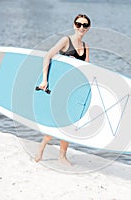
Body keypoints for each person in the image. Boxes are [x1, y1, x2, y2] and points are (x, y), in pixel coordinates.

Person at [35, 14, 91, 165]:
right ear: (74, 25)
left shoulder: (86, 46)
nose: (81, 27)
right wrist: (44, 79)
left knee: (69, 124)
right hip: (61, 86)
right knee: (59, 121)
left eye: (84, 25)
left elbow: (87, 69)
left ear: (88, 28)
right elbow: (47, 56)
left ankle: (62, 155)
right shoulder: (66, 40)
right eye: (78, 24)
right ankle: (42, 146)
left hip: (74, 89)